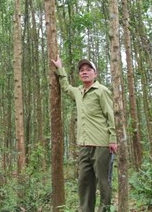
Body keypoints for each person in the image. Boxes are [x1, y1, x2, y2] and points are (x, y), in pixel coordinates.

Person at [51, 57, 117, 212]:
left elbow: (111, 115)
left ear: (95, 74)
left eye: (88, 70)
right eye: (82, 70)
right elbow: (66, 87)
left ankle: (105, 209)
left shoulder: (102, 91)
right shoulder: (78, 92)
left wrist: (113, 138)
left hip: (102, 144)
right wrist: (60, 69)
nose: (85, 72)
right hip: (84, 145)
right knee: (84, 182)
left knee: (103, 182)